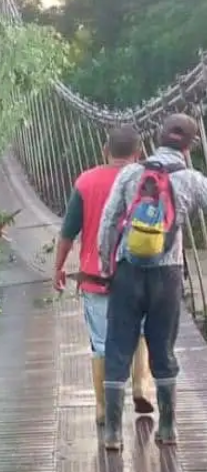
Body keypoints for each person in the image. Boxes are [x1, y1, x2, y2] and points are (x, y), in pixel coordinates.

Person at [98, 113, 205, 450]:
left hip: (128, 271)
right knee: (163, 349)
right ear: (189, 146)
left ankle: (113, 433)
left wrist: (106, 265)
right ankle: (168, 428)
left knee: (117, 349)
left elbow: (108, 221)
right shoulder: (192, 179)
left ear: (157, 138)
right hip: (168, 275)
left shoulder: (131, 173)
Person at [54, 125, 154, 428]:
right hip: (138, 274)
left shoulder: (85, 182)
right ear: (137, 154)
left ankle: (102, 407)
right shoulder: (147, 180)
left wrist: (58, 267)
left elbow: (68, 232)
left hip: (96, 277)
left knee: (100, 343)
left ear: (104, 150)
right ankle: (141, 386)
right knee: (140, 331)